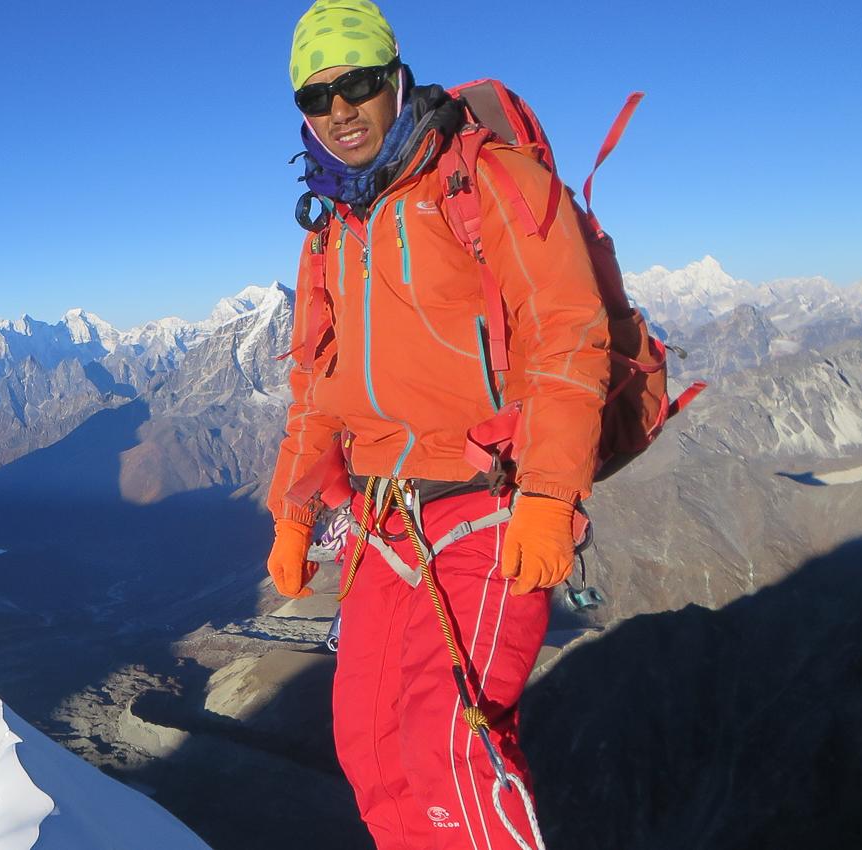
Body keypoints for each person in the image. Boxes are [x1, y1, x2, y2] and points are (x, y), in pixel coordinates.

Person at [264, 2, 612, 848]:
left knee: (454, 744)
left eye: (358, 84)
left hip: (488, 501)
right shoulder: (331, 229)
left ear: (395, 77)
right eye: (318, 97)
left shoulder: (487, 181)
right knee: (372, 745)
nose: (339, 109)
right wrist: (297, 504)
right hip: (382, 519)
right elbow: (316, 377)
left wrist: (550, 492)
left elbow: (568, 334)